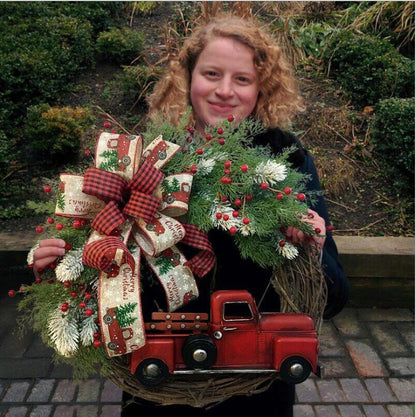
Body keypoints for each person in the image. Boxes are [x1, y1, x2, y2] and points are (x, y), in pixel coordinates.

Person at [33, 14, 349, 417]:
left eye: (242, 79)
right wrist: (65, 264)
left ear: (261, 89)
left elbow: (333, 298)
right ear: (187, 78)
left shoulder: (287, 163)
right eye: (211, 73)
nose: (224, 91)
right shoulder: (149, 159)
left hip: (256, 387)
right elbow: (105, 257)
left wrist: (316, 245)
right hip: (160, 383)